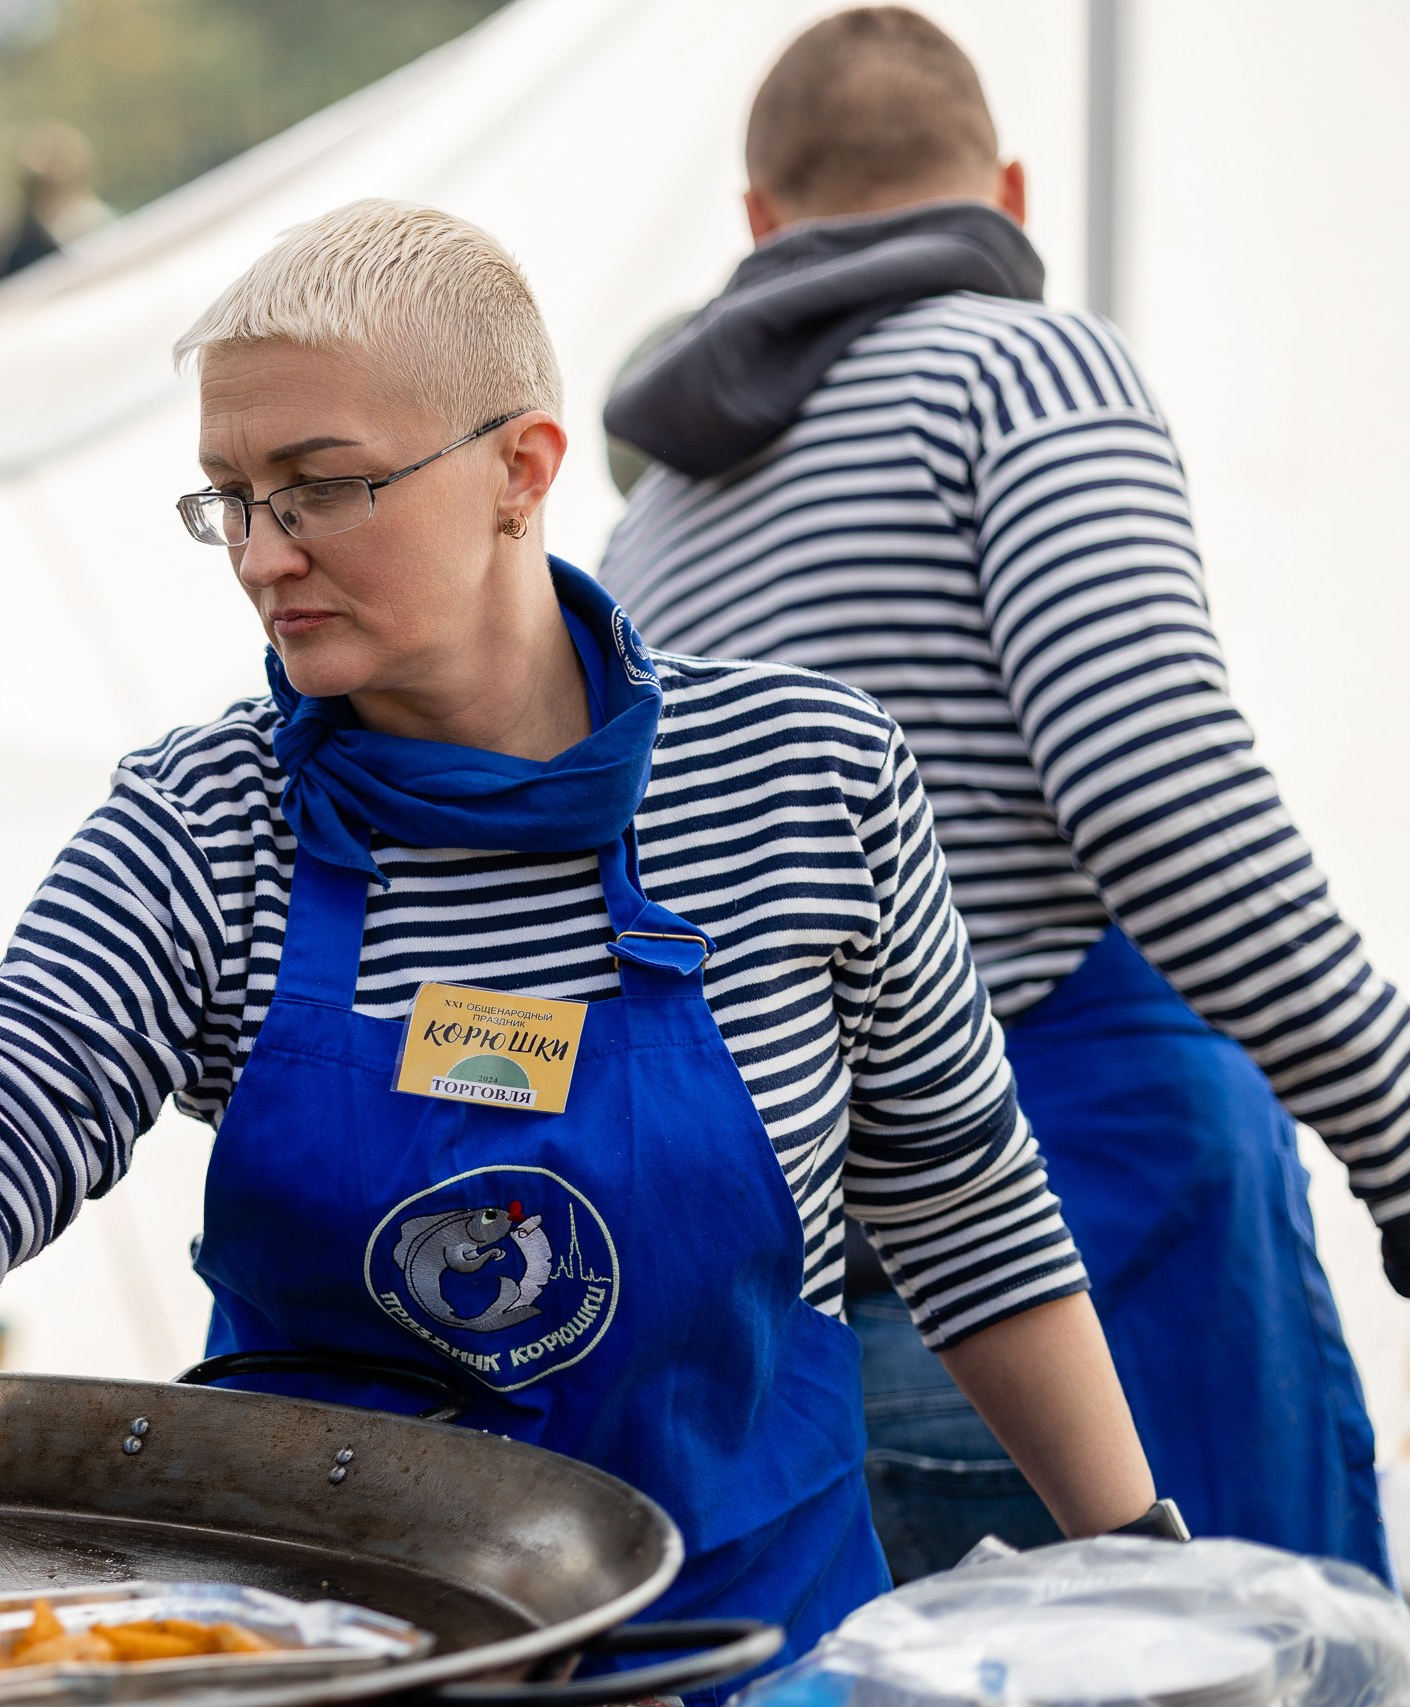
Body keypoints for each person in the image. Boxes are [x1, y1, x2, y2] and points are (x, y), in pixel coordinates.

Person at [0, 201, 1165, 1697]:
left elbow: (963, 1204)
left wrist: (1139, 1561)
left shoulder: (807, 782)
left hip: (752, 1649)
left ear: (522, 468)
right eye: (228, 494)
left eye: (320, 485)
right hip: (333, 1656)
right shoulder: (206, 821)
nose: (259, 554)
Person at [601, 6, 1402, 1581]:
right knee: (1257, 1668)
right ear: (1011, 194)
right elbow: (1162, 802)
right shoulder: (1024, 368)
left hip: (805, 1351)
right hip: (1102, 1292)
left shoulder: (650, 531)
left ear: (759, 223)